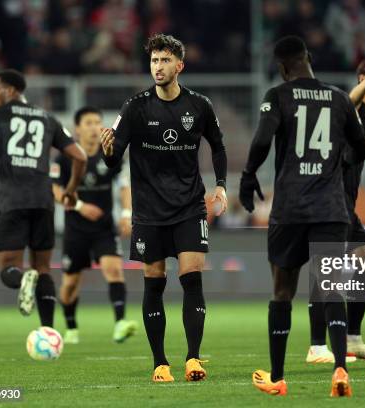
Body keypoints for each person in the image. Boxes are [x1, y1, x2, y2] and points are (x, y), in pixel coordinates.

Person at [240, 35, 365, 397]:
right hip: (330, 208)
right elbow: (359, 146)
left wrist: (248, 177)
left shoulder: (278, 96)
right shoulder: (340, 97)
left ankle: (278, 377)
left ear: (282, 68)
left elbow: (263, 139)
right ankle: (341, 369)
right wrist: (335, 166)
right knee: (330, 287)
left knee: (282, 291)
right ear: (308, 58)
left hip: (291, 209)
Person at [99, 33, 228, 382]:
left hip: (189, 207)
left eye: (165, 60)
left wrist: (220, 184)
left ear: (179, 65)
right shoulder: (135, 107)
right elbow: (113, 162)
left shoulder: (199, 105)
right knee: (153, 284)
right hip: (149, 212)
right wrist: (107, 151)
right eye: (154, 60)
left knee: (192, 280)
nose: (158, 66)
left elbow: (217, 146)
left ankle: (193, 359)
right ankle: (160, 363)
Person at [0, 69, 87, 328]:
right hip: (43, 200)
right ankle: (48, 331)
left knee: (8, 268)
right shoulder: (47, 117)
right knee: (44, 268)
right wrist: (71, 189)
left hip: (11, 199)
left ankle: (23, 277)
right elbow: (80, 157)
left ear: (12, 91)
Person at [307, 53, 365, 363]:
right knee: (325, 271)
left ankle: (353, 338)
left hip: (347, 204)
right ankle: (317, 346)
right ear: (364, 79)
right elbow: (347, 101)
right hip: (329, 202)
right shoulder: (350, 108)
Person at [51, 106, 138, 344]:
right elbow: (55, 190)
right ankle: (71, 328)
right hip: (75, 230)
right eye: (88, 123)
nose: (93, 127)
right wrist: (79, 206)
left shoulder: (109, 153)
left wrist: (127, 212)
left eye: (97, 122)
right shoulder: (65, 157)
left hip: (103, 228)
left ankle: (120, 323)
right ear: (77, 128)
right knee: (70, 284)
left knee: (114, 270)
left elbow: (123, 185)